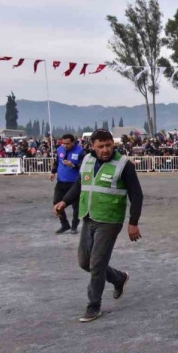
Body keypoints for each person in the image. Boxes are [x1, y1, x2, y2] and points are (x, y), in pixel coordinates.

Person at [54, 129, 143, 322]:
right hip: (88, 216)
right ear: (92, 146)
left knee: (96, 264)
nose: (105, 150)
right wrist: (64, 201)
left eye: (108, 145)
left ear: (113, 143)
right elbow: (79, 185)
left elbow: (136, 195)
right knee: (85, 262)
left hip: (110, 220)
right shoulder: (87, 160)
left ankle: (93, 305)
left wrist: (133, 222)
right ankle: (118, 278)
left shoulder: (124, 165)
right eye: (101, 146)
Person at [50, 134, 85, 234]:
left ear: (73, 142)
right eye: (63, 143)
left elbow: (84, 164)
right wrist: (53, 172)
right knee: (56, 203)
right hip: (61, 182)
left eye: (68, 143)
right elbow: (57, 161)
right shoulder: (59, 149)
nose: (65, 145)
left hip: (75, 183)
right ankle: (64, 224)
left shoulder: (80, 151)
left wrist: (73, 165)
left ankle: (74, 226)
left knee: (76, 206)